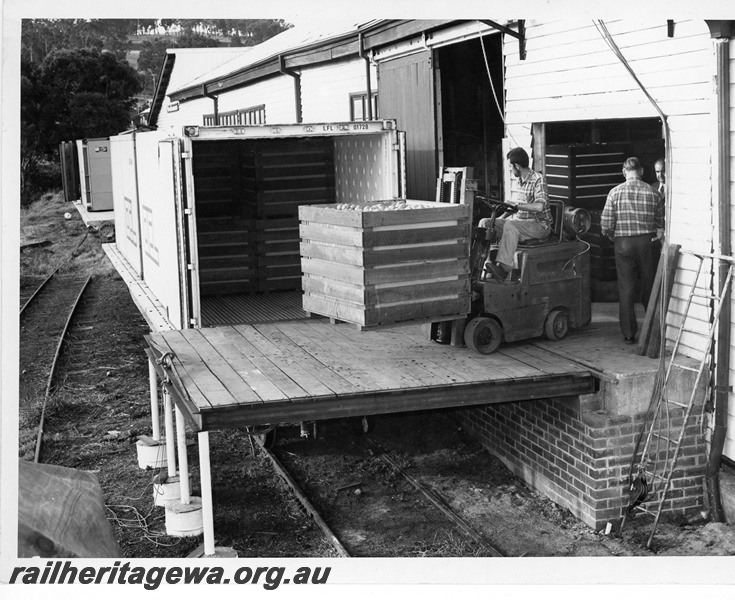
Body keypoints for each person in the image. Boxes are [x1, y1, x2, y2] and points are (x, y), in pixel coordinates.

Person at [601, 157, 664, 345]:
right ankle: (653, 330)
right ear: (642, 171)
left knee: (626, 288)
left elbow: (605, 225)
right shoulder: (654, 193)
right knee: (650, 285)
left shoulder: (614, 193)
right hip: (648, 243)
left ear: (624, 172)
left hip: (624, 244)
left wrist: (613, 236)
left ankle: (629, 334)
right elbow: (660, 223)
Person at [480, 147, 553, 281]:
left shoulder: (538, 180)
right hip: (523, 224)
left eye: (510, 167)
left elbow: (539, 207)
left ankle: (503, 270)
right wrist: (497, 220)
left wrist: (517, 206)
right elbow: (515, 207)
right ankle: (480, 264)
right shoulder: (520, 181)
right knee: (485, 223)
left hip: (540, 226)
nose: (510, 170)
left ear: (517, 166)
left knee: (510, 226)